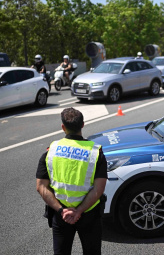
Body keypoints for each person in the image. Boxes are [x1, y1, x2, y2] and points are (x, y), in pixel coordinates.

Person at [36, 107, 107, 255]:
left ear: (63, 127)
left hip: (61, 214)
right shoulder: (95, 152)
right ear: (82, 125)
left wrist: (62, 211)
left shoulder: (51, 151)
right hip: (89, 214)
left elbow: (41, 187)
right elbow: (98, 189)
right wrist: (80, 210)